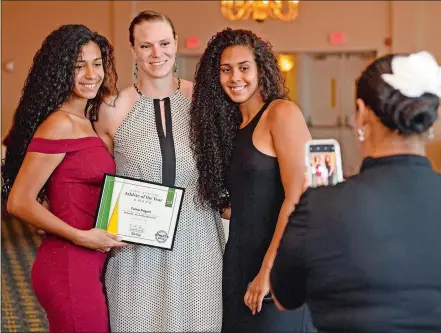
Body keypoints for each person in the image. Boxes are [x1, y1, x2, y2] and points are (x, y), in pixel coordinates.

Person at [271, 51, 441, 332]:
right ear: (429, 121)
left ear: (361, 113)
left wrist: (309, 206)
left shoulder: (321, 207)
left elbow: (285, 296)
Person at [94, 10, 225, 332]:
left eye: (164, 43)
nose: (157, 54)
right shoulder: (111, 109)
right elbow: (98, 178)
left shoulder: (203, 100)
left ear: (176, 44)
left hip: (199, 241)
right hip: (136, 249)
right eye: (146, 46)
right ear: (134, 50)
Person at [1, 24, 126, 332]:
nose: (90, 74)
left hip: (88, 262)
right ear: (59, 71)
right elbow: (18, 202)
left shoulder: (84, 121)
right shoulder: (59, 124)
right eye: (78, 66)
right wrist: (81, 236)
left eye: (96, 64)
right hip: (69, 263)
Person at [189, 28, 315, 332]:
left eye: (244, 68)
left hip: (276, 265)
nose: (235, 78)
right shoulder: (231, 127)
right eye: (225, 70)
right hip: (237, 265)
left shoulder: (280, 114)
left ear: (261, 69)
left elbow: (299, 196)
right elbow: (248, 198)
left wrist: (268, 271)